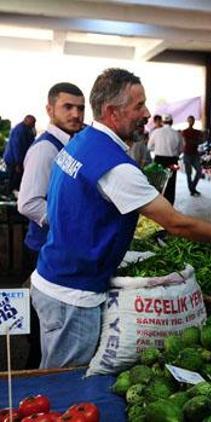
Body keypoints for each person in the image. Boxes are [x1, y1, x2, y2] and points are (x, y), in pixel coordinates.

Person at [31, 68, 211, 369]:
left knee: (52, 375)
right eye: (138, 106)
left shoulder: (82, 141)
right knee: (63, 386)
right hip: (73, 293)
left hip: (53, 276)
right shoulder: (114, 166)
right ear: (112, 112)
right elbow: (177, 224)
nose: (147, 113)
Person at [16, 83, 84, 370]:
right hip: (41, 250)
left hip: (55, 249)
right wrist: (69, 225)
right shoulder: (45, 148)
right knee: (41, 331)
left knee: (49, 330)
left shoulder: (70, 144)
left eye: (80, 108)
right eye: (67, 107)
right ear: (50, 109)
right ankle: (33, 390)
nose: (75, 113)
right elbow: (28, 203)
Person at [148, 113, 183, 204]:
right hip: (172, 161)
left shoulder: (156, 132)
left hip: (159, 160)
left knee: (158, 183)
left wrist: (159, 148)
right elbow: (181, 149)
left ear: (163, 122)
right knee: (171, 184)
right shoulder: (177, 134)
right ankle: (169, 205)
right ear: (171, 122)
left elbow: (149, 147)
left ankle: (158, 205)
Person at [3, 115, 36, 193]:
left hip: (17, 158)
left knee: (16, 178)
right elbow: (16, 147)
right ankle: (10, 193)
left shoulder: (26, 129)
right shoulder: (20, 130)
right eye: (33, 123)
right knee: (14, 178)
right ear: (26, 120)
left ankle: (11, 192)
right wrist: (18, 163)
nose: (34, 125)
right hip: (13, 159)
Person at [182, 115, 203, 196]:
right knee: (189, 173)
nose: (191, 122)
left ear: (194, 121)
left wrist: (193, 142)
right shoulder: (184, 131)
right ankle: (192, 189)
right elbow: (186, 142)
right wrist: (195, 142)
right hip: (187, 154)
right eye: (189, 120)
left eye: (192, 120)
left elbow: (200, 140)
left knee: (199, 171)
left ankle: (192, 188)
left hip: (194, 154)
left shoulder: (197, 132)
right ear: (188, 121)